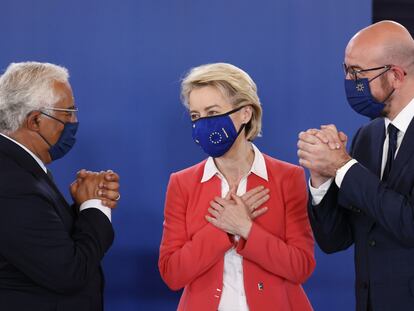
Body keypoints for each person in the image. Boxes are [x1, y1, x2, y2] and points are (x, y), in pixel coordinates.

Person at [159, 63, 315, 311]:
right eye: (195, 116)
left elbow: (301, 266)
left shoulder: (288, 177)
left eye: (212, 112)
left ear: (246, 113)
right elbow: (172, 273)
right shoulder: (183, 183)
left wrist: (246, 228)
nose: (202, 125)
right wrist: (224, 232)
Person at [297, 21, 414, 311]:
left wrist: (344, 167)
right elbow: (336, 239)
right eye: (346, 70)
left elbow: (408, 224)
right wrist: (322, 177)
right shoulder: (368, 136)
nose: (350, 82)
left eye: (357, 72)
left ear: (397, 75)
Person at [0, 62, 121, 311]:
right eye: (68, 113)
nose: (74, 121)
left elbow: (41, 244)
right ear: (35, 120)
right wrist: (95, 207)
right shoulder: (12, 183)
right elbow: (69, 273)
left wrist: (80, 208)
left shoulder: (19, 167)